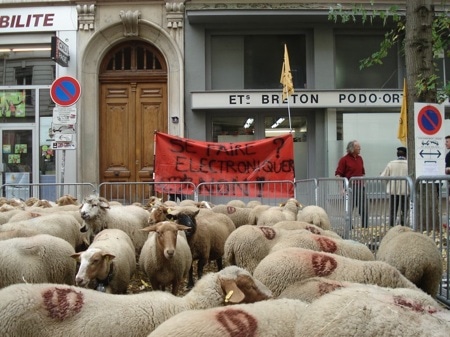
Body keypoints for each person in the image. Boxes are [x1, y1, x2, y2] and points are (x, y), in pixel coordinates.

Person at [335, 140, 368, 228]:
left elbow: (363, 172)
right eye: (358, 147)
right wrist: (341, 189)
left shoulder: (360, 158)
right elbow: (338, 175)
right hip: (350, 187)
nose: (360, 148)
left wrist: (364, 183)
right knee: (349, 209)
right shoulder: (344, 160)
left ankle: (365, 227)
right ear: (352, 148)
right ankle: (349, 228)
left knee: (364, 208)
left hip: (360, 187)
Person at [380, 146, 409, 226]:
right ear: (406, 155)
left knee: (393, 209)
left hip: (393, 190)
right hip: (405, 190)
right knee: (404, 209)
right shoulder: (409, 164)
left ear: (397, 154)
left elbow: (383, 176)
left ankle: (392, 225)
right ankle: (403, 225)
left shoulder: (391, 164)